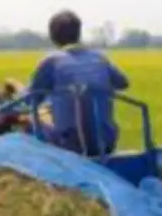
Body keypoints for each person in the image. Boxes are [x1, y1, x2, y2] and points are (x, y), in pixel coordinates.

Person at [28, 9, 130, 156]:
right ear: (78, 33)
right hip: (106, 141)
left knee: (33, 122)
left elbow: (30, 99)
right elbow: (123, 83)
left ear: (53, 37)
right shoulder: (99, 58)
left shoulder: (51, 62)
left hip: (68, 144)